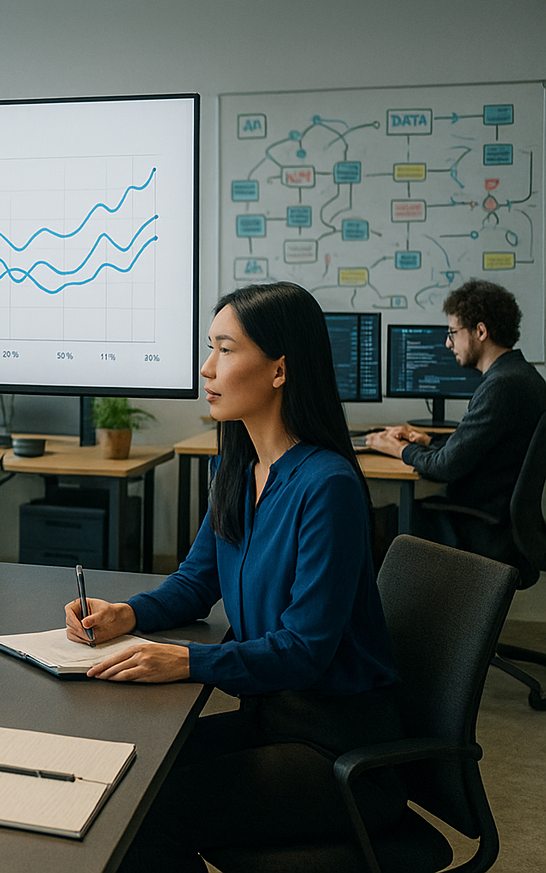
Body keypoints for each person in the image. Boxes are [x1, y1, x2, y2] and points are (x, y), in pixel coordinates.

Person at [65, 282, 406, 871]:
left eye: (225, 349)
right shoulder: (237, 466)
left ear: (279, 369)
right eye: (209, 348)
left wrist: (186, 661)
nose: (206, 367)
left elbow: (305, 651)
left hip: (335, 745)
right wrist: (130, 613)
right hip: (270, 719)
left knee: (139, 811)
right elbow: (198, 582)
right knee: (122, 777)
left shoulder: (327, 486)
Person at [365, 279, 546, 566]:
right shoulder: (523, 376)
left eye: (452, 332)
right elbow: (482, 448)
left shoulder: (501, 386)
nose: (447, 343)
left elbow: (446, 467)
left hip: (479, 526)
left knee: (369, 526)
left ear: (481, 331)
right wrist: (427, 442)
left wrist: (396, 449)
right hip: (491, 518)